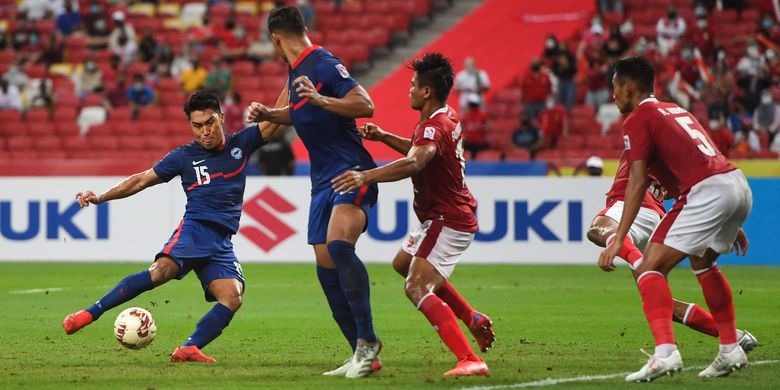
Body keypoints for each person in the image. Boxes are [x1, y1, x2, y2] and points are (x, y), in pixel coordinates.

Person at [62, 89, 280, 363]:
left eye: (210, 122)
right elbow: (141, 179)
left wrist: (296, 72)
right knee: (161, 272)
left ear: (221, 118)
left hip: (221, 241)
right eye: (197, 126)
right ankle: (89, 313)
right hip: (196, 228)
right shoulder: (183, 156)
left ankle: (189, 348)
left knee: (232, 296)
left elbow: (276, 118)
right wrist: (103, 197)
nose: (204, 132)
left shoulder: (242, 144)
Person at [331, 52, 494, 377]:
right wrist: (384, 137)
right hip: (441, 215)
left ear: (426, 92)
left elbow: (415, 162)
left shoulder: (433, 127)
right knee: (402, 264)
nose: (409, 90)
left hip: (448, 219)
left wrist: (366, 176)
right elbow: (420, 151)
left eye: (412, 85)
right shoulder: (444, 117)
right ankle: (471, 317)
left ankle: (469, 359)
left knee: (416, 286)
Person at [246, 6, 381, 378]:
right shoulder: (296, 72)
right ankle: (360, 352)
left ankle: (369, 341)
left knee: (339, 246)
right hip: (321, 182)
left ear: (275, 38)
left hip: (350, 171)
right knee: (325, 269)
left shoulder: (322, 63)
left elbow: (364, 104)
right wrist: (270, 114)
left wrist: (323, 101)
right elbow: (300, 111)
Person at [601, 56, 753, 382]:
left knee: (649, 268)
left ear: (628, 87)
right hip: (735, 185)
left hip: (706, 193)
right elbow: (681, 171)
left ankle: (665, 354)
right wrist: (731, 217)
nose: (612, 95)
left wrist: (618, 239)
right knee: (704, 264)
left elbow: (637, 183)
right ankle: (729, 348)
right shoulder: (675, 110)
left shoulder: (637, 118)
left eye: (614, 88)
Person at [588, 154, 757, 362]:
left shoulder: (643, 128)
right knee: (659, 302)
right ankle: (735, 337)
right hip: (655, 216)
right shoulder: (666, 150)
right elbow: (679, 186)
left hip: (630, 204)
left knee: (597, 229)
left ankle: (641, 265)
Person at [460, 95, 489, 159]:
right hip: (477, 142)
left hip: (473, 142)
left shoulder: (467, 115)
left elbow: (462, 127)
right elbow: (487, 128)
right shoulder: (482, 115)